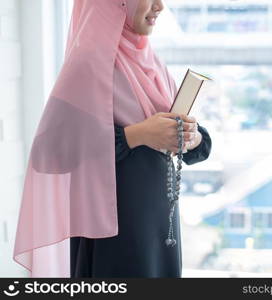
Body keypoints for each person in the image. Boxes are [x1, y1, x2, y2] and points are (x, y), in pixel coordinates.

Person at [13, 0, 211, 278]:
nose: (160, 7)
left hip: (160, 228)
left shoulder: (151, 63)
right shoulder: (88, 65)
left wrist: (191, 138)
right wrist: (137, 135)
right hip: (114, 235)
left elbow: (193, 144)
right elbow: (50, 154)